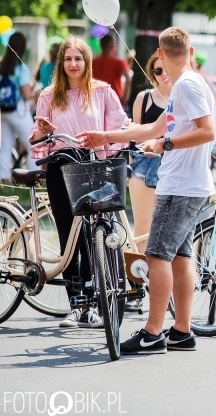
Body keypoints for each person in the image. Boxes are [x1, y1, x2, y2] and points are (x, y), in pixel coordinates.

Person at [79, 27, 216, 353]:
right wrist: (107, 136)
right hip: (187, 185)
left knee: (156, 255)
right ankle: (181, 331)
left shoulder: (186, 86)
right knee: (180, 257)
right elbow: (152, 129)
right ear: (190, 49)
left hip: (181, 187)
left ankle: (153, 333)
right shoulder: (188, 85)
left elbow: (207, 132)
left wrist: (165, 143)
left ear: (160, 52)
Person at [29, 37, 130, 329]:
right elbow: (36, 140)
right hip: (61, 166)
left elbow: (119, 127)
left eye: (78, 58)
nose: (73, 64)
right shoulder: (49, 95)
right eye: (68, 58)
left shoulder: (102, 92)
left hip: (93, 165)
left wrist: (109, 139)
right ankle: (77, 304)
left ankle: (97, 302)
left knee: (94, 233)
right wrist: (42, 131)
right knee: (68, 235)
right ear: (61, 62)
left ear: (87, 62)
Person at [128, 53, 173, 246]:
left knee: (168, 231)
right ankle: (139, 275)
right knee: (142, 230)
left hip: (173, 164)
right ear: (152, 73)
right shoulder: (143, 97)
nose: (163, 74)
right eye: (158, 70)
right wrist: (128, 171)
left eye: (166, 68)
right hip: (143, 164)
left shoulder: (185, 97)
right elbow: (134, 137)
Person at [1, 32, 38, 180]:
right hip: (18, 112)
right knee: (34, 145)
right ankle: (33, 177)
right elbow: (26, 94)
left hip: (4, 110)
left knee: (5, 147)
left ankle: (3, 180)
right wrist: (35, 94)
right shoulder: (20, 67)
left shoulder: (2, 66)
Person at [92, 34, 132, 105]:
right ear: (113, 46)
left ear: (101, 45)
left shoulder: (93, 62)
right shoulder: (119, 62)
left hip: (96, 98)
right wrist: (124, 98)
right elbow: (128, 79)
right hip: (115, 98)